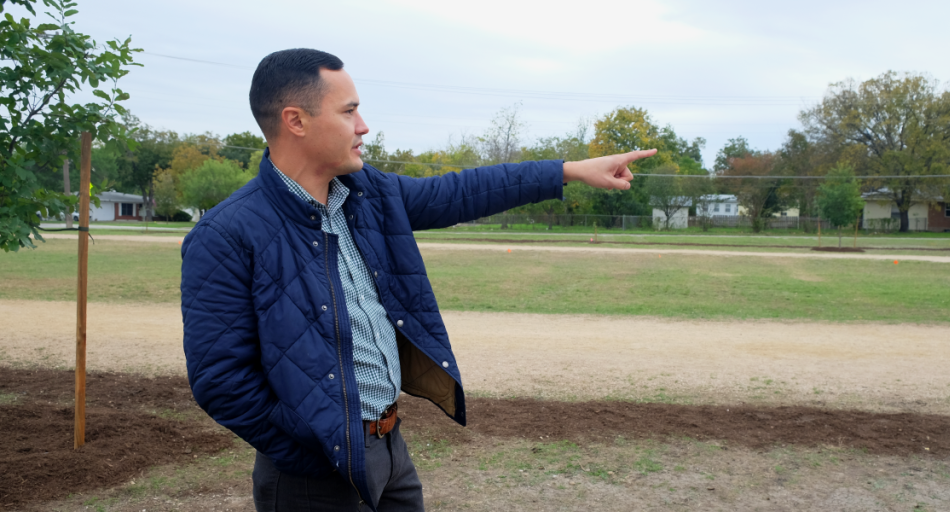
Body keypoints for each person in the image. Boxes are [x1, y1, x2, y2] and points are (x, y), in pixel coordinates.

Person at [180, 48, 655, 512]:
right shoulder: (225, 234)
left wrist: (568, 171)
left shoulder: (370, 196)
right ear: (295, 121)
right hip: (312, 475)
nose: (363, 126)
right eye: (349, 112)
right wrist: (315, 445)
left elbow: (465, 190)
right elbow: (221, 381)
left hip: (390, 452)